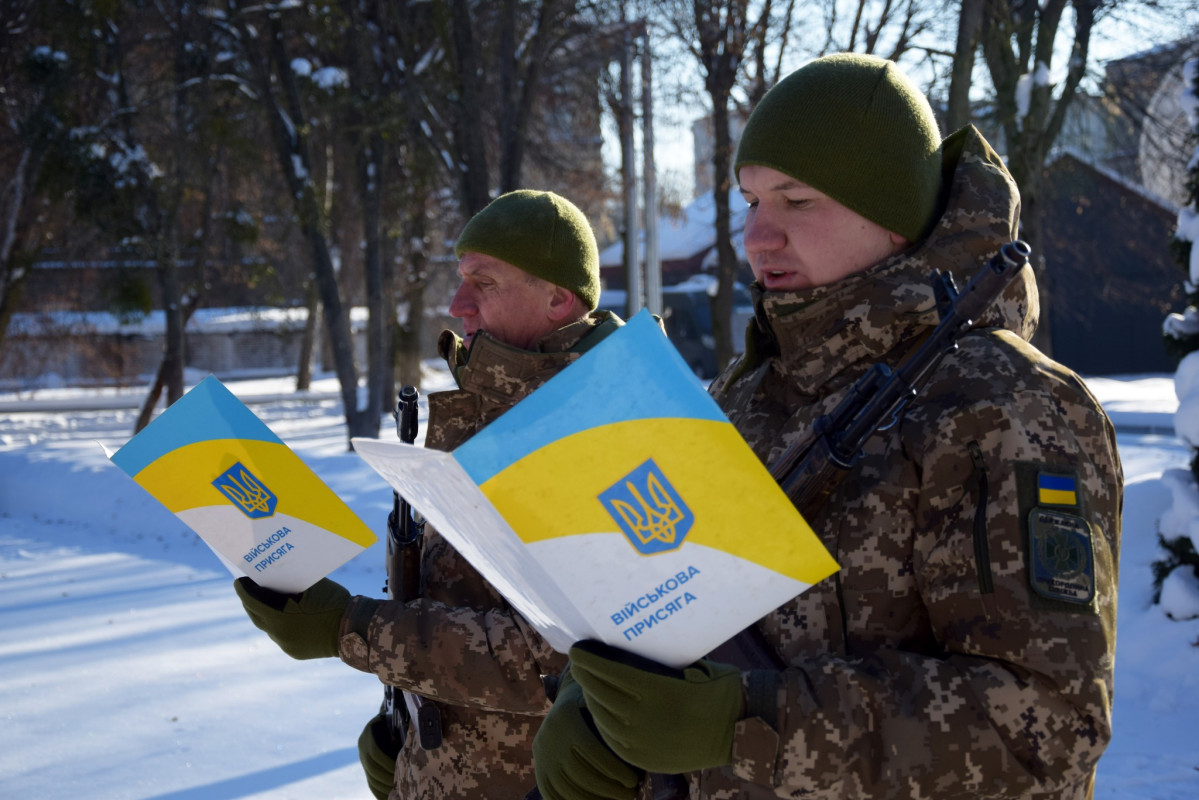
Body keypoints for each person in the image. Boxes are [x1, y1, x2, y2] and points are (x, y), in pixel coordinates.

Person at [532, 53, 1123, 800]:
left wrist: (752, 724)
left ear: (893, 216)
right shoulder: (749, 392)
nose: (757, 237)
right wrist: (593, 704)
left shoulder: (1001, 404)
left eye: (797, 200)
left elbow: (1045, 728)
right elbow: (677, 600)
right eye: (750, 202)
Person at [234, 189, 625, 800]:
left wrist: (350, 628)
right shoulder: (490, 407)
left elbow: (560, 662)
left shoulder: (604, 426)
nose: (456, 304)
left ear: (558, 297)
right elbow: (460, 600)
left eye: (484, 282)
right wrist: (416, 743)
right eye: (460, 278)